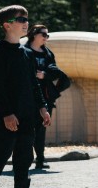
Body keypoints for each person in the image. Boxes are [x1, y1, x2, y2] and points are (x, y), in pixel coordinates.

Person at [0, 5, 52, 188]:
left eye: (27, 19)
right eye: (21, 20)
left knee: (24, 157)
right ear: (7, 25)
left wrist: (43, 107)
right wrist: (7, 113)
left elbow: (34, 84)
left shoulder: (26, 53)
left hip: (27, 115)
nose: (26, 23)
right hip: (5, 118)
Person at [24, 25, 70, 169]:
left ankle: (40, 160)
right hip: (27, 96)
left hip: (45, 96)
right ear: (34, 34)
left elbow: (55, 72)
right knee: (25, 129)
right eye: (43, 34)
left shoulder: (48, 54)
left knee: (41, 128)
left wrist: (45, 75)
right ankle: (22, 160)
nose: (46, 37)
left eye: (47, 35)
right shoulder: (24, 51)